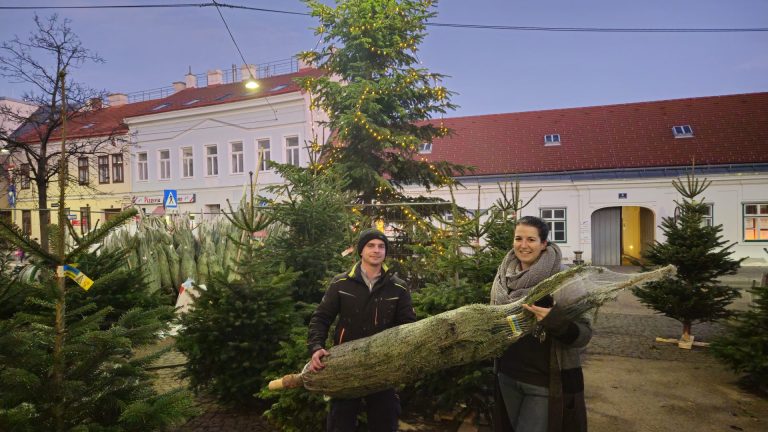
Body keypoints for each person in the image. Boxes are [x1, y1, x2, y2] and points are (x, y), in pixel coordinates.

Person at [308, 228, 417, 432]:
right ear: (361, 250)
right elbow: (321, 318)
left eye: (381, 246)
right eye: (371, 245)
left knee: (385, 420)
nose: (376, 250)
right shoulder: (340, 283)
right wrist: (316, 347)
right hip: (345, 365)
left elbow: (408, 327)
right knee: (340, 422)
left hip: (383, 366)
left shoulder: (398, 287)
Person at [490, 216, 592, 432]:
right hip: (507, 375)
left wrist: (554, 320)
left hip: (544, 382)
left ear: (544, 244)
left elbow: (584, 335)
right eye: (518, 238)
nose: (523, 245)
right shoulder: (503, 277)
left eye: (531, 239)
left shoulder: (564, 279)